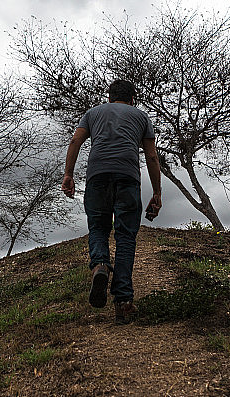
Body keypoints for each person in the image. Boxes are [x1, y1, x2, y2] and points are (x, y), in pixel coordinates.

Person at [61, 79, 162, 324]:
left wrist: (68, 174)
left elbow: (75, 142)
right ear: (132, 99)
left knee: (98, 227)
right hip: (127, 178)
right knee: (125, 237)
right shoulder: (141, 117)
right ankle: (123, 302)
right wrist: (157, 193)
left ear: (109, 97)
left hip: (97, 177)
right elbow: (151, 156)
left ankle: (100, 266)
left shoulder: (92, 114)